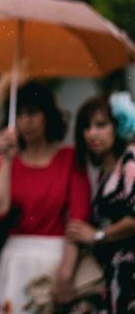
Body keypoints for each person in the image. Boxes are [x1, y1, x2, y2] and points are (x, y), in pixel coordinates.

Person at [0, 81, 91, 313]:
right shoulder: (7, 160)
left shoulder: (69, 158)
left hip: (56, 259)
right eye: (20, 114)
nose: (26, 121)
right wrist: (6, 159)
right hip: (15, 261)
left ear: (48, 115)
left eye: (33, 112)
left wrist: (66, 272)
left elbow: (78, 218)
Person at [66, 92, 135, 314]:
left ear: (118, 126)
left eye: (101, 125)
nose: (92, 133)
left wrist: (97, 235)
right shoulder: (103, 176)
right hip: (113, 279)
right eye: (86, 127)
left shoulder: (130, 160)